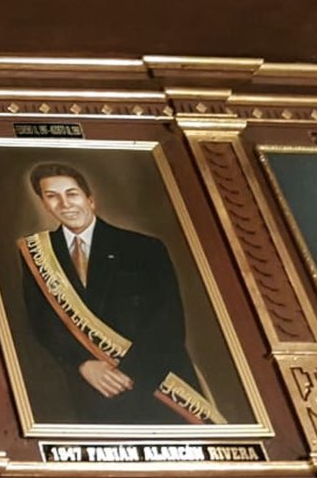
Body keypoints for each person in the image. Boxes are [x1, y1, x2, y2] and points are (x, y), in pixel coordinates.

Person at [17, 163, 224, 425]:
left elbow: (168, 321)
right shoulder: (38, 254)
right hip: (91, 389)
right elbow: (42, 322)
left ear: (90, 200)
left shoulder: (143, 247)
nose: (64, 204)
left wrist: (126, 375)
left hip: (158, 384)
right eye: (52, 196)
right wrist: (83, 364)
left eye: (72, 194)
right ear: (44, 204)